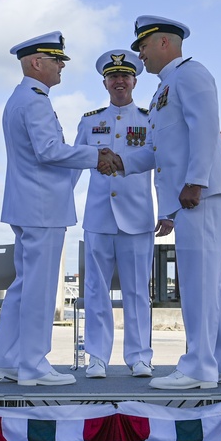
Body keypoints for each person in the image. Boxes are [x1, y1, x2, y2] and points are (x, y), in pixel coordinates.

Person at [0, 31, 118, 386]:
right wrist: (95, 155)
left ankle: (4, 359)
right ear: (36, 63)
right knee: (40, 289)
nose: (61, 66)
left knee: (24, 285)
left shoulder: (20, 98)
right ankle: (33, 365)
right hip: (42, 206)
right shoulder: (35, 100)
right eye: (56, 60)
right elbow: (48, 150)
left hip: (27, 204)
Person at [126, 15, 221, 390]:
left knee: (198, 281)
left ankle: (198, 367)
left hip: (202, 193)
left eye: (144, 46)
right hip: (191, 196)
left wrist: (195, 182)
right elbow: (157, 150)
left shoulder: (191, 74)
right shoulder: (163, 89)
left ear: (164, 43)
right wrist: (118, 162)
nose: (141, 54)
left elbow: (206, 128)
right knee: (212, 282)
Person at [75, 50, 156, 379]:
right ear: (105, 83)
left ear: (135, 81)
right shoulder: (90, 121)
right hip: (98, 216)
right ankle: (96, 356)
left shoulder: (150, 119)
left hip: (137, 217)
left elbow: (161, 162)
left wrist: (168, 212)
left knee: (138, 290)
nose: (119, 81)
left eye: (125, 76)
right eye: (113, 77)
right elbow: (74, 164)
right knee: (95, 290)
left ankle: (139, 357)